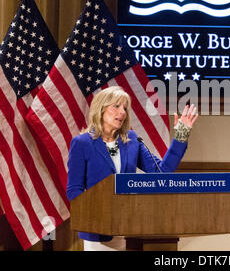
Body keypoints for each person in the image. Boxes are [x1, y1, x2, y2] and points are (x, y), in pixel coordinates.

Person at [66, 86, 198, 250]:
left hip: (126, 227)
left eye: (125, 108)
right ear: (100, 109)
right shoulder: (82, 143)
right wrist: (98, 214)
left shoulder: (131, 141)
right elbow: (74, 190)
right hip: (97, 231)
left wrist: (180, 136)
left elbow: (160, 173)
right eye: (116, 106)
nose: (122, 112)